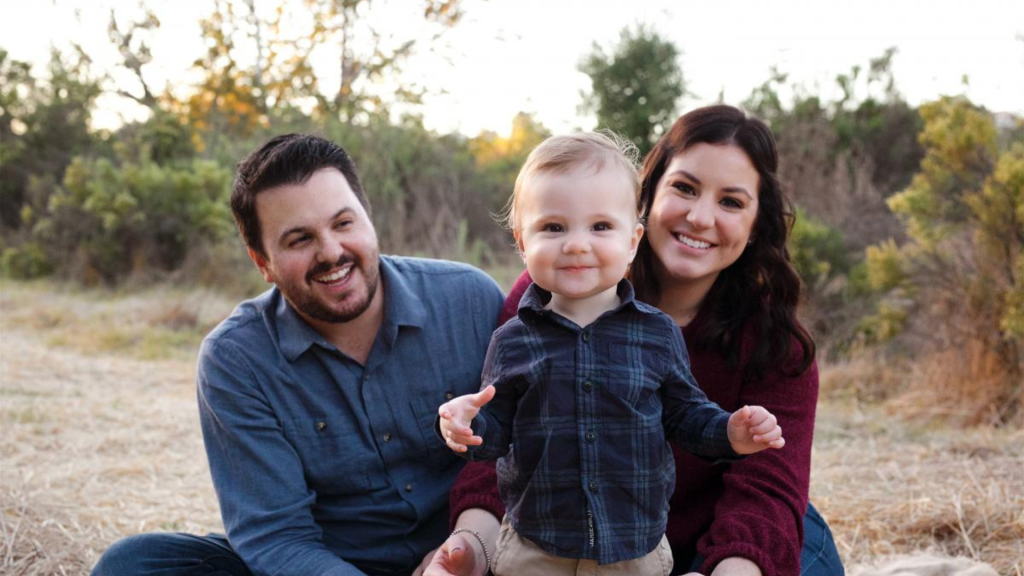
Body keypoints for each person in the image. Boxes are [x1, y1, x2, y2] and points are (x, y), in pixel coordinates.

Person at [427, 106, 845, 576]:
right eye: (684, 188)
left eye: (731, 202)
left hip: (716, 543)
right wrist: (471, 544)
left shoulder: (775, 342)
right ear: (648, 197)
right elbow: (504, 442)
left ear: (753, 228)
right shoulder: (547, 296)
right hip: (565, 539)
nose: (700, 217)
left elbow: (765, 487)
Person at [89, 134, 506, 576]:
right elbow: (277, 537)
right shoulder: (235, 359)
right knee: (133, 566)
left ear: (368, 219)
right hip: (324, 565)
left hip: (474, 553)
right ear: (262, 261)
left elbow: (525, 454)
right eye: (299, 239)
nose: (331, 252)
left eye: (343, 223)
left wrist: (472, 544)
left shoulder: (469, 300)